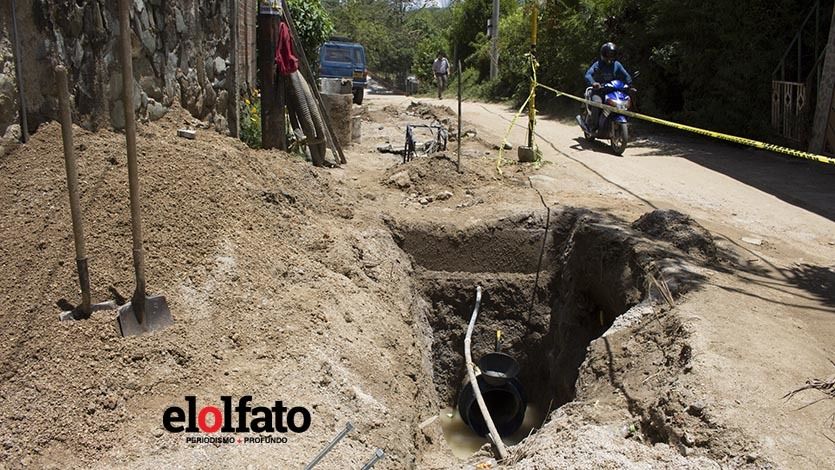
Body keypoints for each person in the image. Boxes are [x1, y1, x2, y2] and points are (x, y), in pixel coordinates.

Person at [584, 42, 633, 132]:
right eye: (608, 54)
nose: (610, 56)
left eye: (612, 54)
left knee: (626, 100)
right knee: (597, 104)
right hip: (599, 91)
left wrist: (630, 85)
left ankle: (627, 124)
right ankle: (593, 126)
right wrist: (593, 83)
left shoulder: (617, 65)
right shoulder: (598, 64)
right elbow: (588, 75)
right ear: (603, 53)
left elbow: (626, 75)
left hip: (613, 91)